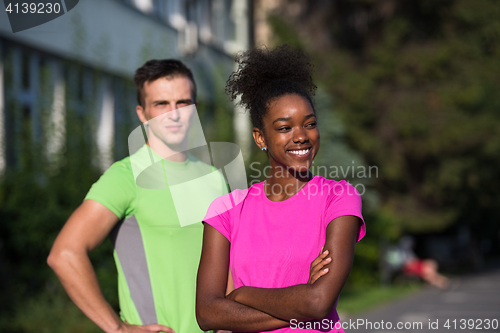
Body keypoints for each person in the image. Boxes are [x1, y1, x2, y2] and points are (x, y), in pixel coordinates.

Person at [196, 45, 366, 332]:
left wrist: (241, 295)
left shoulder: (339, 197)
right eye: (285, 127)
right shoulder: (226, 210)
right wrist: (301, 299)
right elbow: (208, 314)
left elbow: (318, 303)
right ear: (260, 137)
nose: (301, 136)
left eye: (309, 124)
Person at [48, 59, 223, 333]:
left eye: (182, 102)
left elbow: (229, 265)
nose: (173, 114)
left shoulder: (214, 177)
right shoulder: (126, 176)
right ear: (142, 113)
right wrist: (118, 328)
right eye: (161, 104)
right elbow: (64, 254)